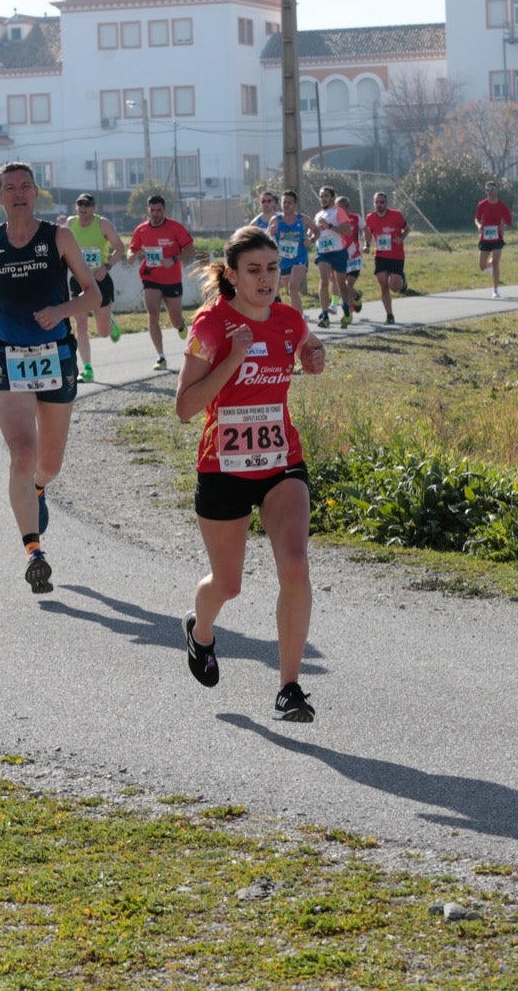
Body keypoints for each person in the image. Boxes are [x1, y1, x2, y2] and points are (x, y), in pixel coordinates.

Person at [175, 225, 326, 722]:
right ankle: (201, 631)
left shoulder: (288, 318)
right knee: (228, 583)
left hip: (281, 461)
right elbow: (184, 407)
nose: (266, 279)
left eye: (273, 269)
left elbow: (308, 345)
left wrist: (315, 355)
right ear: (234, 275)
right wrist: (234, 359)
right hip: (223, 465)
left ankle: (289, 689)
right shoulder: (211, 326)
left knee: (295, 563)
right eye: (254, 270)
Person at [0, 162, 100, 594]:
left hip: (55, 356)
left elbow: (93, 293)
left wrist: (61, 311)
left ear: (36, 193)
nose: (18, 193)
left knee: (49, 464)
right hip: (7, 357)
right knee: (22, 452)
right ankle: (34, 551)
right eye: (9, 188)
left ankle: (38, 488)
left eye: (25, 186)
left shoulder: (58, 237)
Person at [64, 193, 127, 382]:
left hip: (100, 279)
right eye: (80, 205)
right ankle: (87, 369)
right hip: (78, 280)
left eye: (87, 205)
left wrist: (106, 268)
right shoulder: (70, 223)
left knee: (103, 332)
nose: (83, 208)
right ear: (76, 207)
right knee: (80, 324)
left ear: (93, 208)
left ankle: (110, 322)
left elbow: (120, 248)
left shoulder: (103, 224)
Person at [127, 194, 195, 370]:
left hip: (172, 279)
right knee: (152, 314)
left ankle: (181, 325)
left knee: (175, 319)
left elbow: (190, 250)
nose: (155, 214)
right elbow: (132, 248)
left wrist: (174, 259)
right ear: (148, 210)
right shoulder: (141, 229)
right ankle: (161, 357)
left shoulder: (175, 228)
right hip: (150, 277)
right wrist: (131, 255)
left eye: (158, 210)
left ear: (164, 210)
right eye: (152, 210)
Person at [311, 185, 355, 328]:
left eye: (326, 196)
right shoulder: (318, 215)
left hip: (338, 252)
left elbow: (347, 231)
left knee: (341, 283)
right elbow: (316, 233)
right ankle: (325, 316)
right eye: (321, 196)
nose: (323, 199)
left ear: (332, 198)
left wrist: (330, 226)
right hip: (323, 253)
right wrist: (310, 238)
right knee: (324, 280)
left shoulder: (338, 212)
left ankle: (346, 311)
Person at [363, 190, 408, 324]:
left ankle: (402, 281)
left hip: (396, 256)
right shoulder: (370, 217)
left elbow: (407, 229)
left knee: (394, 287)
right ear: (374, 203)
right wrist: (366, 245)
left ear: (386, 203)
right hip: (380, 255)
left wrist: (401, 238)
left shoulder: (396, 215)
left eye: (382, 202)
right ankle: (389, 315)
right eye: (377, 202)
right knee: (383, 284)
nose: (379, 204)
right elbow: (368, 233)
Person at [271, 190, 312, 313]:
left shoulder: (302, 219)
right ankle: (298, 316)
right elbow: (268, 239)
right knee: (291, 292)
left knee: (292, 287)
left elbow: (316, 231)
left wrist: (311, 239)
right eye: (284, 202)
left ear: (295, 205)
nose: (286, 205)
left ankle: (300, 320)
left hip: (300, 258)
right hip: (284, 261)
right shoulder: (276, 220)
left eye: (289, 202)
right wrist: (270, 233)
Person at [475, 180, 513, 296]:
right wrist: (479, 226)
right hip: (485, 238)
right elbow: (476, 219)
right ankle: (491, 268)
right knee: (482, 266)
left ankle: (495, 290)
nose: (489, 192)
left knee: (496, 262)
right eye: (487, 190)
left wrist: (503, 226)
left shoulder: (501, 205)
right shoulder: (482, 204)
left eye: (491, 189)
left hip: (497, 237)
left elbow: (509, 221)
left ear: (496, 191)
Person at [336, 195, 366, 322]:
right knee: (342, 286)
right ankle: (356, 297)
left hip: (354, 257)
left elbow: (366, 229)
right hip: (341, 257)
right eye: (339, 208)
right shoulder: (334, 220)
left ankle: (349, 312)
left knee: (348, 285)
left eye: (344, 207)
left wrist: (366, 244)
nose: (342, 210)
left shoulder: (356, 218)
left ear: (348, 207)